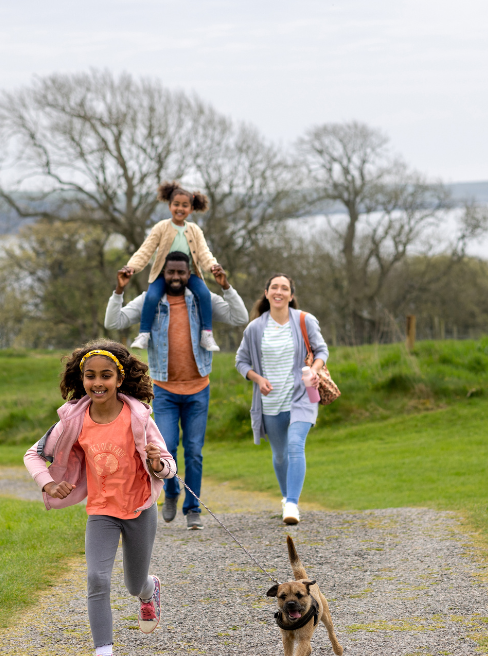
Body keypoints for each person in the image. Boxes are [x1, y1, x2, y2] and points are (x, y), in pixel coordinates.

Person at [23, 341, 176, 656]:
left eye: (105, 376)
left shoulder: (139, 416)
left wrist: (157, 464)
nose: (97, 383)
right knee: (96, 577)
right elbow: (33, 454)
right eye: (89, 376)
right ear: (82, 379)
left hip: (139, 509)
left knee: (132, 583)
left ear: (119, 379)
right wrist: (48, 483)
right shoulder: (73, 419)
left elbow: (168, 464)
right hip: (102, 511)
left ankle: (149, 590)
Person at [105, 251, 249, 529]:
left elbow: (239, 316)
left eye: (181, 273)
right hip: (165, 391)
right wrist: (119, 290)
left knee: (194, 451)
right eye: (170, 272)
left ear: (189, 274)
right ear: (162, 273)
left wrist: (226, 286)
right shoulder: (151, 302)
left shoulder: (201, 300)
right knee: (167, 447)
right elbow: (113, 322)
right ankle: (171, 493)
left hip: (198, 389)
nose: (175, 277)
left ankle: (192, 507)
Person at [235, 274, 328, 526]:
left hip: (302, 396)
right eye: (274, 287)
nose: (279, 291)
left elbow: (321, 350)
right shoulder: (254, 328)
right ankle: (286, 497)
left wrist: (316, 370)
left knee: (296, 444)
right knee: (279, 455)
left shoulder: (304, 320)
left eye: (284, 288)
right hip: (271, 403)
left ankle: (292, 504)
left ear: (291, 295)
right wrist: (257, 378)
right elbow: (240, 361)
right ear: (266, 293)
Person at [120, 182, 223, 352]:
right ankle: (144, 334)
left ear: (191, 209)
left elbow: (204, 252)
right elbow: (146, 250)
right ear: (169, 206)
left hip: (188, 274)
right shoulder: (161, 227)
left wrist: (212, 266)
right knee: (152, 296)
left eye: (185, 205)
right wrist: (132, 267)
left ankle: (207, 333)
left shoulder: (195, 230)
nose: (180, 208)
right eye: (176, 204)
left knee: (204, 294)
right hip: (163, 274)